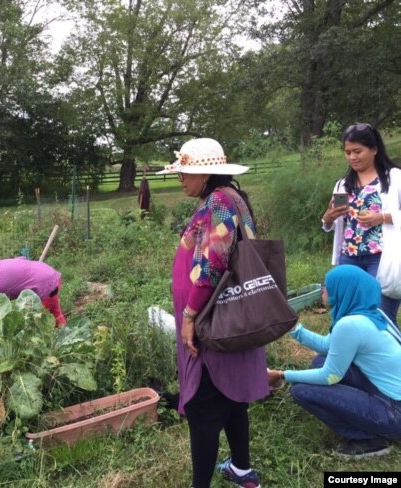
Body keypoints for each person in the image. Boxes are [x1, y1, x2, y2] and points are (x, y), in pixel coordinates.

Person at [156, 138, 268, 488]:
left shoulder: (219, 201)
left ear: (205, 172)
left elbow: (214, 263)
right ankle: (241, 470)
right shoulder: (230, 197)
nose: (180, 179)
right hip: (231, 317)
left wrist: (189, 316)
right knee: (234, 397)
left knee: (204, 408)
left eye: (185, 172)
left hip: (213, 320)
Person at [267, 265, 401, 459]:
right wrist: (295, 328)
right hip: (389, 397)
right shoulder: (372, 314)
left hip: (394, 413)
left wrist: (282, 375)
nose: (323, 290)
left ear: (344, 289)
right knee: (319, 361)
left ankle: (367, 441)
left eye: (327, 286)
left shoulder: (351, 325)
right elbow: (328, 346)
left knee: (301, 390)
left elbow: (330, 376)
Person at [321, 123, 401, 325]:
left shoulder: (394, 178)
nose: (352, 157)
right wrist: (330, 215)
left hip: (382, 257)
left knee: (380, 315)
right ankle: (349, 356)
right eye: (347, 152)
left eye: (358, 151)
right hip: (349, 256)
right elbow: (328, 223)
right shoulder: (342, 184)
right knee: (346, 315)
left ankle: (389, 356)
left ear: (374, 150)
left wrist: (381, 217)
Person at [0, 257, 67, 327]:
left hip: (43, 285)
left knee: (38, 322)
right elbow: (21, 259)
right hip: (47, 273)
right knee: (54, 313)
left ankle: (49, 349)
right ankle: (64, 334)